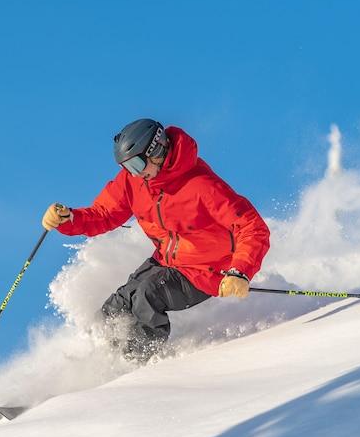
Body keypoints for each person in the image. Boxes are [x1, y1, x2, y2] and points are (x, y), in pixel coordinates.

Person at [42, 118, 271, 362]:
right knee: (117, 305)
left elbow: (252, 227)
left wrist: (239, 272)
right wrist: (69, 219)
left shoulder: (202, 186)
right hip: (166, 261)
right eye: (128, 167)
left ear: (157, 150)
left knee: (146, 296)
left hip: (205, 270)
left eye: (137, 164)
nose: (135, 173)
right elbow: (104, 213)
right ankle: (94, 362)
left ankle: (135, 367)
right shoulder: (135, 181)